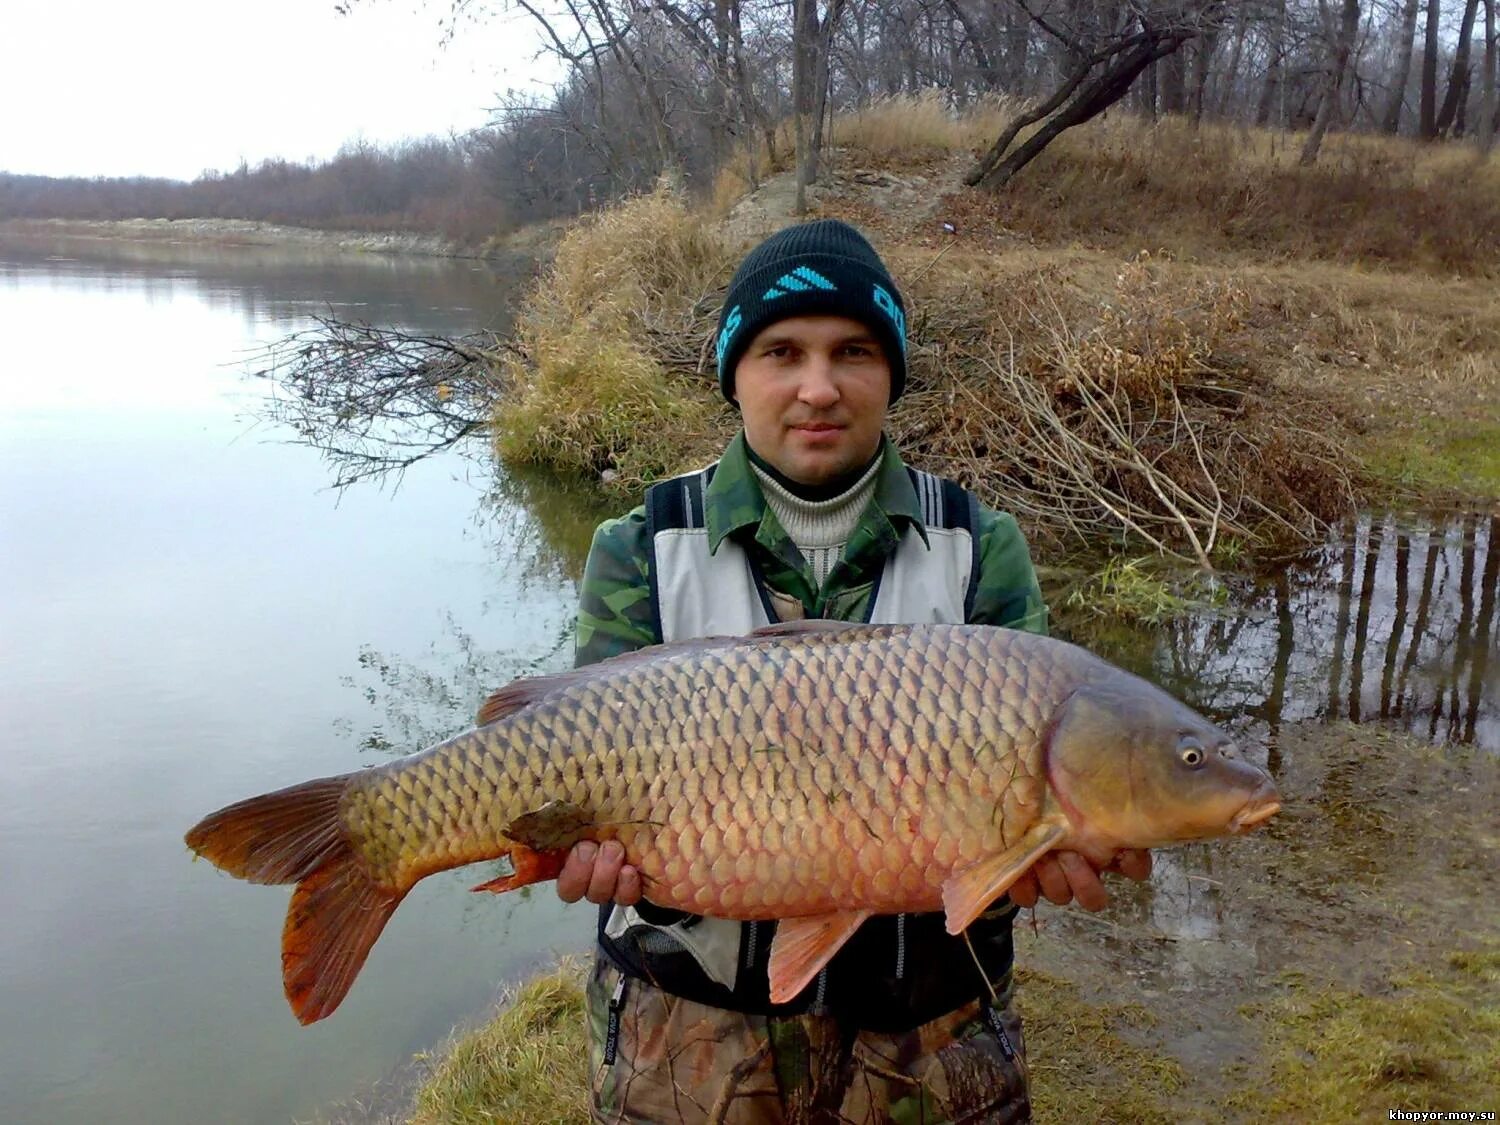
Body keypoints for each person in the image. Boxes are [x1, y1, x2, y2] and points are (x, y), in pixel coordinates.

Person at [557, 219, 1151, 1123]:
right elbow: (580, 765)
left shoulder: (979, 546)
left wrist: (1045, 852)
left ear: (891, 374)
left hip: (931, 1035)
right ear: (735, 374)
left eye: (855, 351)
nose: (818, 387)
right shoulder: (640, 547)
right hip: (687, 1039)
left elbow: (1042, 807)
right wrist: (579, 849)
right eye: (781, 352)